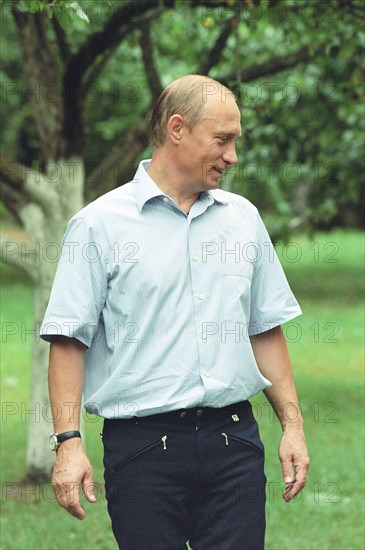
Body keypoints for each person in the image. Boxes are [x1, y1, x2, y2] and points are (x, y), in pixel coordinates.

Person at [41, 74, 309, 550]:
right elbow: (68, 339)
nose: (232, 156)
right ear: (177, 129)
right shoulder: (98, 226)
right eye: (222, 140)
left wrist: (293, 426)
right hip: (142, 450)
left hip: (235, 444)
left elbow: (265, 329)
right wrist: (69, 443)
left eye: (235, 141)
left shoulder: (243, 219)